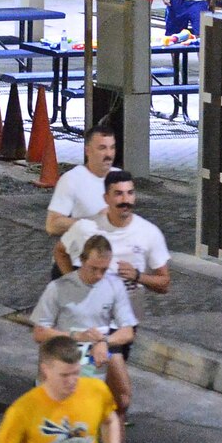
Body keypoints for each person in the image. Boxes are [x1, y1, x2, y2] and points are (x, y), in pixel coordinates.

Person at [31, 233, 141, 443]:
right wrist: (74, 337)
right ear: (81, 261)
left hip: (92, 376)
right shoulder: (59, 288)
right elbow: (40, 332)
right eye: (93, 269)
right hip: (59, 375)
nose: (98, 275)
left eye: (104, 269)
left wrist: (104, 341)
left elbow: (127, 331)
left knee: (96, 427)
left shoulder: (113, 287)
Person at [53, 172, 170, 407]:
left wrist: (138, 276)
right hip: (91, 323)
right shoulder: (88, 228)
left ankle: (100, 428)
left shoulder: (149, 233)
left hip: (124, 325)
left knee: (114, 396)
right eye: (118, 194)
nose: (125, 200)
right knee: (118, 394)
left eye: (130, 193)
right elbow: (60, 252)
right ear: (106, 197)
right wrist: (75, 285)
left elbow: (164, 283)